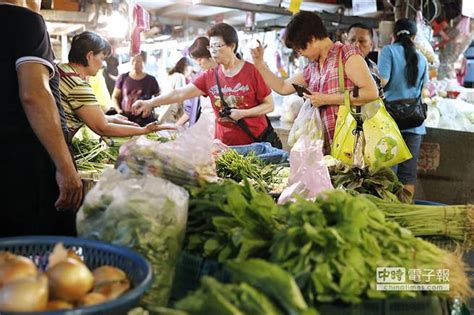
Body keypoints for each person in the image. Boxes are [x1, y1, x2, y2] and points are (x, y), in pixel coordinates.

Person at [0, 0, 83, 237]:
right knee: (38, 258)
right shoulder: (25, 21)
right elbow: (34, 95)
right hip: (25, 168)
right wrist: (66, 167)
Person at [251, 11, 378, 154]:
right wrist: (260, 64)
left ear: (312, 39)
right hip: (326, 151)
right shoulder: (313, 67)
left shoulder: (347, 55)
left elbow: (371, 93)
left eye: (300, 48)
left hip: (351, 147)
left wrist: (326, 99)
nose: (300, 53)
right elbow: (283, 87)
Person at [133, 23, 274, 146]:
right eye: (211, 47)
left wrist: (243, 113)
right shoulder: (209, 76)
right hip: (224, 145)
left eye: (217, 46)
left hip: (255, 142)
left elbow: (269, 105)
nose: (213, 51)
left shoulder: (252, 71)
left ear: (232, 46)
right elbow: (180, 93)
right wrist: (150, 102)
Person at [58, 31, 171, 139]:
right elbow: (102, 128)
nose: (102, 64)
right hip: (58, 143)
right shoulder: (78, 86)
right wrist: (144, 130)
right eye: (102, 58)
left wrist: (112, 118)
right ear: (90, 56)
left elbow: (89, 115)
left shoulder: (61, 70)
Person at [378, 18, 429, 196]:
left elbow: (382, 81)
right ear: (414, 37)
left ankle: (387, 211)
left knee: (387, 173)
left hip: (390, 121)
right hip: (415, 123)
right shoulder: (422, 58)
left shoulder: (388, 51)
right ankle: (404, 213)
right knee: (408, 176)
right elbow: (425, 91)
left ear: (393, 36)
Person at [175, 36, 217, 127]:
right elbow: (189, 109)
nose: (198, 63)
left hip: (220, 127)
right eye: (196, 60)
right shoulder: (199, 77)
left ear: (210, 55)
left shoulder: (223, 76)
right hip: (203, 126)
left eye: (200, 59)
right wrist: (175, 126)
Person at [111, 51, 161, 126]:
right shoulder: (123, 77)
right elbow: (115, 97)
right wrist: (119, 111)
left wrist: (151, 106)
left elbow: (159, 98)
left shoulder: (151, 80)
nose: (135, 63)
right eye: (133, 60)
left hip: (145, 119)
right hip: (125, 118)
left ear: (144, 62)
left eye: (138, 61)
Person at [347, 22, 384, 99]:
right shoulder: (335, 66)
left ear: (371, 45)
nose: (356, 45)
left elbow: (380, 99)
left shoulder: (373, 67)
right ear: (345, 43)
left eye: (362, 41)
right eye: (352, 40)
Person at [159, 57, 193, 123]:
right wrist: (175, 113)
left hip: (164, 112)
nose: (190, 73)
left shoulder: (170, 76)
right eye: (190, 70)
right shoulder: (180, 76)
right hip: (172, 114)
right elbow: (179, 97)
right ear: (186, 67)